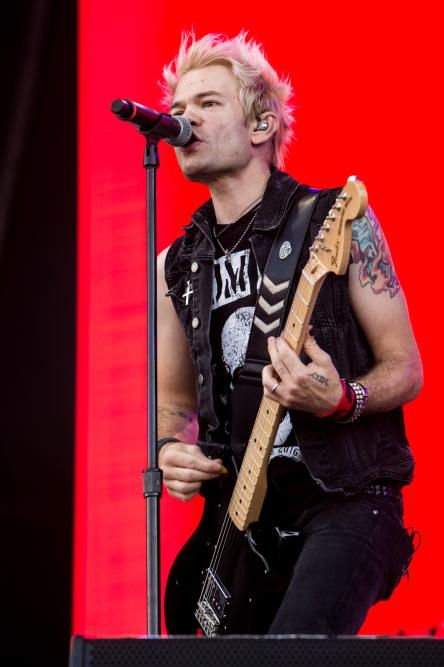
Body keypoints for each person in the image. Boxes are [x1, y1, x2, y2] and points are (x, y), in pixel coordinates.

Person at [156, 32, 423, 635]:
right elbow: (174, 405)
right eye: (177, 109)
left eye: (207, 103)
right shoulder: (176, 265)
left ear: (262, 124)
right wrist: (171, 450)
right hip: (237, 525)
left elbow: (406, 368)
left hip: (345, 497)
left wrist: (342, 398)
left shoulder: (334, 220)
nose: (184, 120)